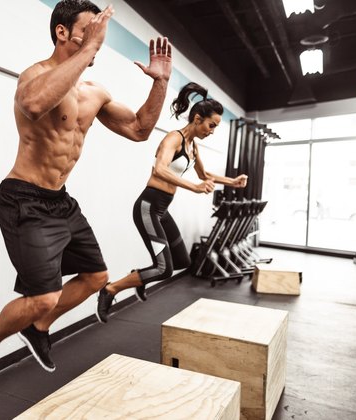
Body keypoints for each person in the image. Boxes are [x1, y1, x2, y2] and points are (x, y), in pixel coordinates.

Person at [0, 0, 172, 403]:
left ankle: (38, 329)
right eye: (87, 32)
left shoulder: (94, 92)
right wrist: (91, 48)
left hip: (60, 201)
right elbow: (35, 105)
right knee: (42, 296)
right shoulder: (35, 77)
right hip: (23, 197)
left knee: (96, 278)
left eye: (98, 34)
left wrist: (159, 82)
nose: (96, 40)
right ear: (62, 33)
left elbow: (141, 129)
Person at [95, 82, 248, 323]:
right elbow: (159, 169)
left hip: (161, 210)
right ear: (197, 119)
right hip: (147, 207)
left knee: (182, 261)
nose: (212, 131)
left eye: (215, 127)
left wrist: (232, 182)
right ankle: (110, 290)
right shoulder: (173, 139)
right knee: (163, 268)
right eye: (211, 125)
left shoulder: (192, 146)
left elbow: (204, 175)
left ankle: (140, 277)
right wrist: (194, 188)